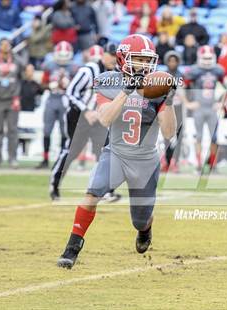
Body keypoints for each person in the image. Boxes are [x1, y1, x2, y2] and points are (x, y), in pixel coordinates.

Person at [56, 34, 177, 269]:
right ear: (123, 59)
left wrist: (170, 101)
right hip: (116, 154)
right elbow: (104, 118)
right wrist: (126, 91)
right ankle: (72, 247)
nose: (143, 66)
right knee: (92, 194)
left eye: (147, 60)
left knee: (140, 220)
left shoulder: (157, 88)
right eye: (138, 59)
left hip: (145, 160)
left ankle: (145, 229)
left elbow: (169, 132)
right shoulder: (108, 82)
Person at [49, 44, 119, 202]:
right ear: (104, 54)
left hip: (99, 118)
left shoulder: (115, 74)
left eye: (117, 56)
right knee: (71, 151)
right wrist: (86, 111)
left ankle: (106, 190)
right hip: (79, 116)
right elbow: (70, 93)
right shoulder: (89, 70)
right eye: (112, 55)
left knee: (105, 152)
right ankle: (54, 185)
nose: (114, 59)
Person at [36, 41, 78, 169]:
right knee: (47, 130)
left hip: (66, 100)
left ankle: (61, 159)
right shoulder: (49, 65)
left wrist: (68, 86)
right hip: (52, 99)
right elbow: (42, 84)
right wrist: (50, 85)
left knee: (64, 131)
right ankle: (45, 159)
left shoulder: (74, 68)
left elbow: (77, 85)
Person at [184, 45, 225, 172]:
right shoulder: (194, 71)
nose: (207, 61)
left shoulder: (218, 70)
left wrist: (221, 103)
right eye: (205, 58)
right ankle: (199, 163)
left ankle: (213, 164)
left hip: (212, 108)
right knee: (199, 137)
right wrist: (187, 103)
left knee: (214, 138)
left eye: (209, 58)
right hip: (199, 108)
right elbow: (182, 87)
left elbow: (226, 88)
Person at [0, 38, 25, 168]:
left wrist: (15, 90)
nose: (6, 47)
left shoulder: (17, 61)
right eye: (3, 45)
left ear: (11, 46)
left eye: (8, 45)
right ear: (0, 46)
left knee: (13, 130)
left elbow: (22, 76)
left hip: (13, 100)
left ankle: (12, 158)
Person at [161, 50, 186, 173]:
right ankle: (166, 160)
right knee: (166, 135)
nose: (172, 63)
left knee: (179, 136)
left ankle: (175, 162)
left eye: (174, 61)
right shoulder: (162, 75)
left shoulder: (181, 76)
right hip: (167, 108)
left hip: (179, 109)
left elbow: (184, 92)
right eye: (170, 60)